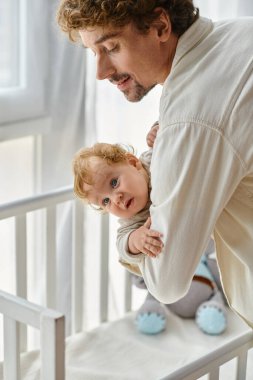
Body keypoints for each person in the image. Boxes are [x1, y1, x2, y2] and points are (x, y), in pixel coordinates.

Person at [57, 1, 253, 327]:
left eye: (111, 47)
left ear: (160, 26)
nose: (101, 72)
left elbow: (167, 282)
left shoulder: (190, 119)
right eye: (95, 53)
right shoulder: (242, 32)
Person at [73, 141, 227, 335]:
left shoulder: (154, 162)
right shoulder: (131, 222)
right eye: (105, 201)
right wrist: (136, 239)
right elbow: (122, 244)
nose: (116, 199)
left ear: (133, 163)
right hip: (174, 266)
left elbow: (176, 139)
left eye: (113, 183)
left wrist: (158, 130)